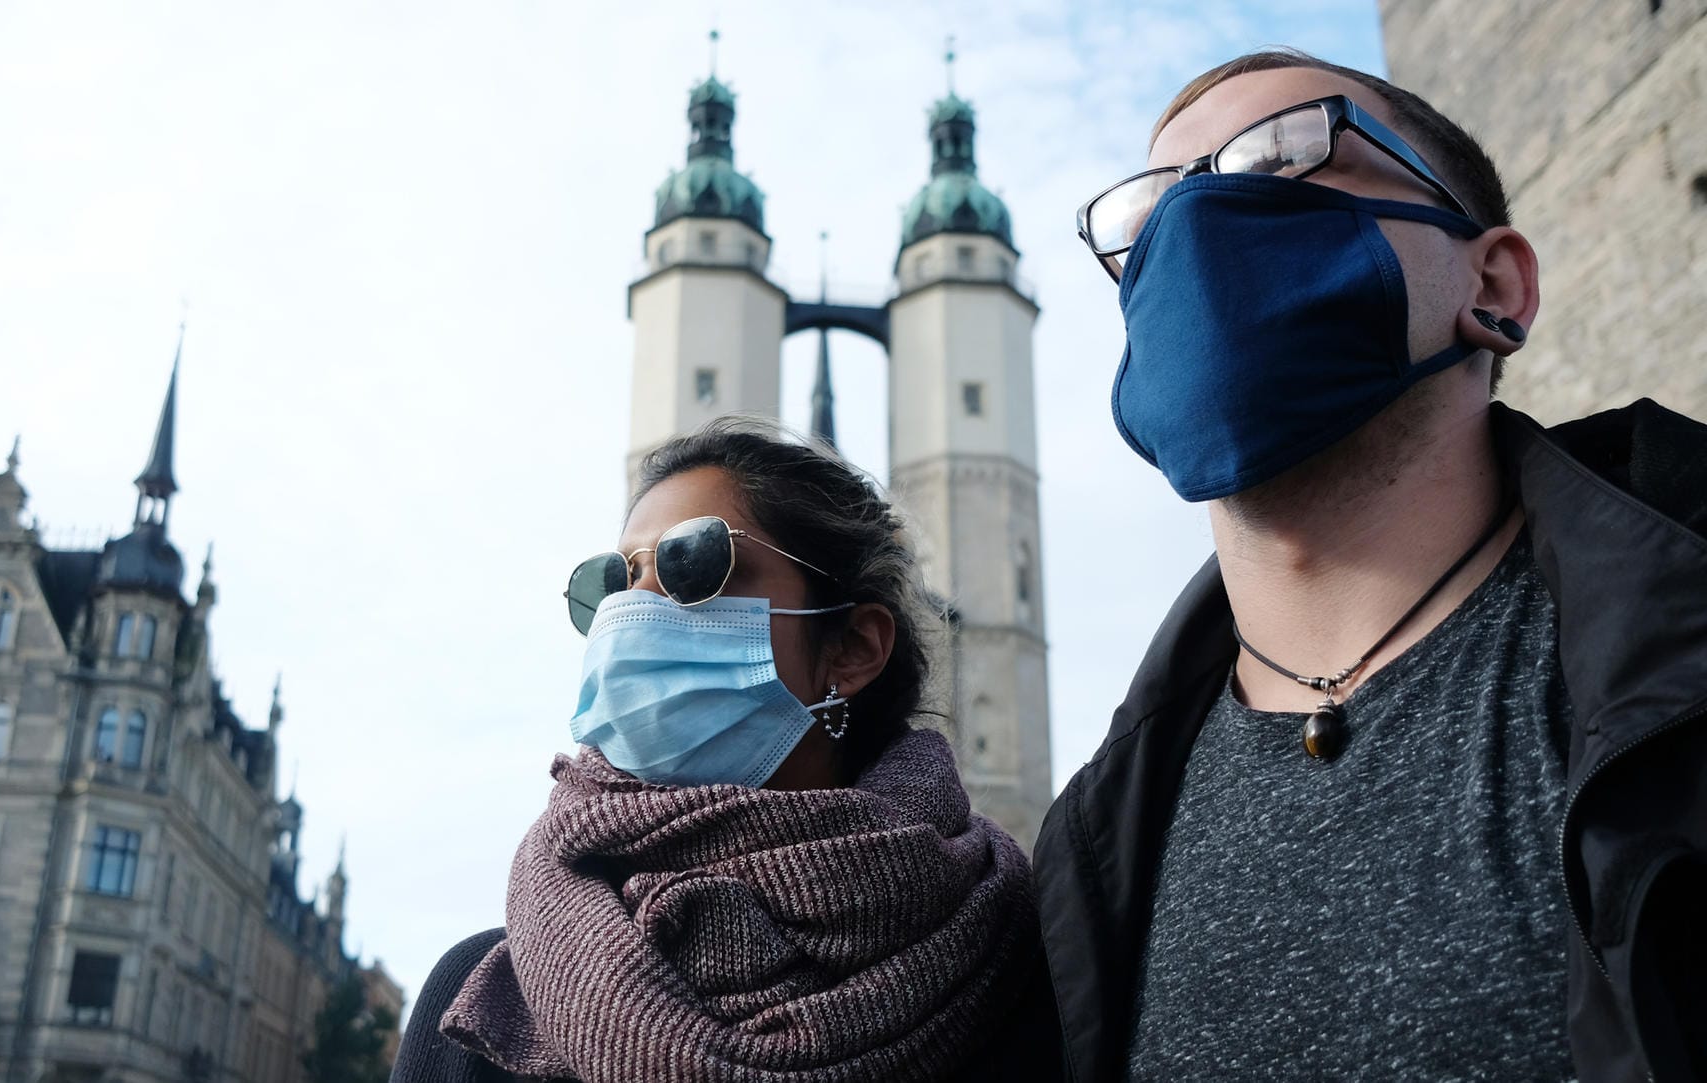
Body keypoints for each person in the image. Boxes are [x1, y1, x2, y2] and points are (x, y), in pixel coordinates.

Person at [1035, 47, 1707, 1082]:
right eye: (1149, 219)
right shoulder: (1088, 854)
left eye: (1284, 155)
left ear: (1495, 284)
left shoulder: (1679, 668)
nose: (1197, 226)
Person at [392, 420, 1062, 1083]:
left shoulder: (1032, 970)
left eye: (694, 562)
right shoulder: (482, 1009)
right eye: (613, 582)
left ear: (853, 647)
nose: (634, 610)